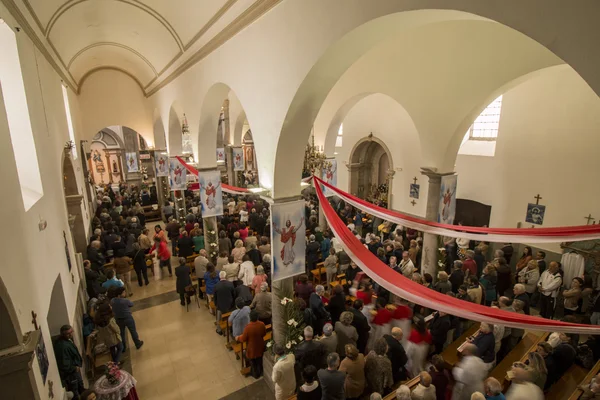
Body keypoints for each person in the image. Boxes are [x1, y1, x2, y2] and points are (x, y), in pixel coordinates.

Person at [54, 325, 85, 397]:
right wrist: (74, 368)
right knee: (75, 392)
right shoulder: (62, 346)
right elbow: (64, 364)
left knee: (81, 387)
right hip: (71, 374)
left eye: (71, 332)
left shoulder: (67, 340)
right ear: (63, 334)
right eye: (68, 333)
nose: (71, 335)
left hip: (75, 371)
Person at [111, 287, 144, 351]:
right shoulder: (125, 301)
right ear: (119, 294)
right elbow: (131, 304)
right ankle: (137, 343)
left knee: (122, 334)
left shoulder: (112, 301)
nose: (125, 293)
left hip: (118, 319)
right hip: (128, 318)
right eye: (123, 292)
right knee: (133, 331)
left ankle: (123, 347)